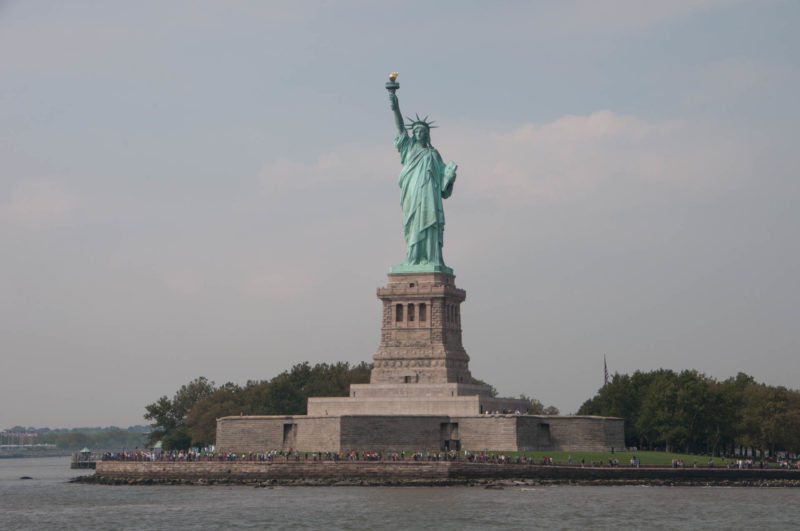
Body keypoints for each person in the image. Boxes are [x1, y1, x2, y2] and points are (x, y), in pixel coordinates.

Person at [389, 91, 457, 269]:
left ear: (427, 134)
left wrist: (449, 177)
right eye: (416, 131)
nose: (418, 133)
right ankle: (413, 258)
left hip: (430, 195)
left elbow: (443, 183)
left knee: (430, 223)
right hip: (412, 192)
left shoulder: (434, 154)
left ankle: (431, 258)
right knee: (412, 224)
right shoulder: (408, 148)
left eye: (422, 131)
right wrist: (393, 101)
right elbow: (400, 127)